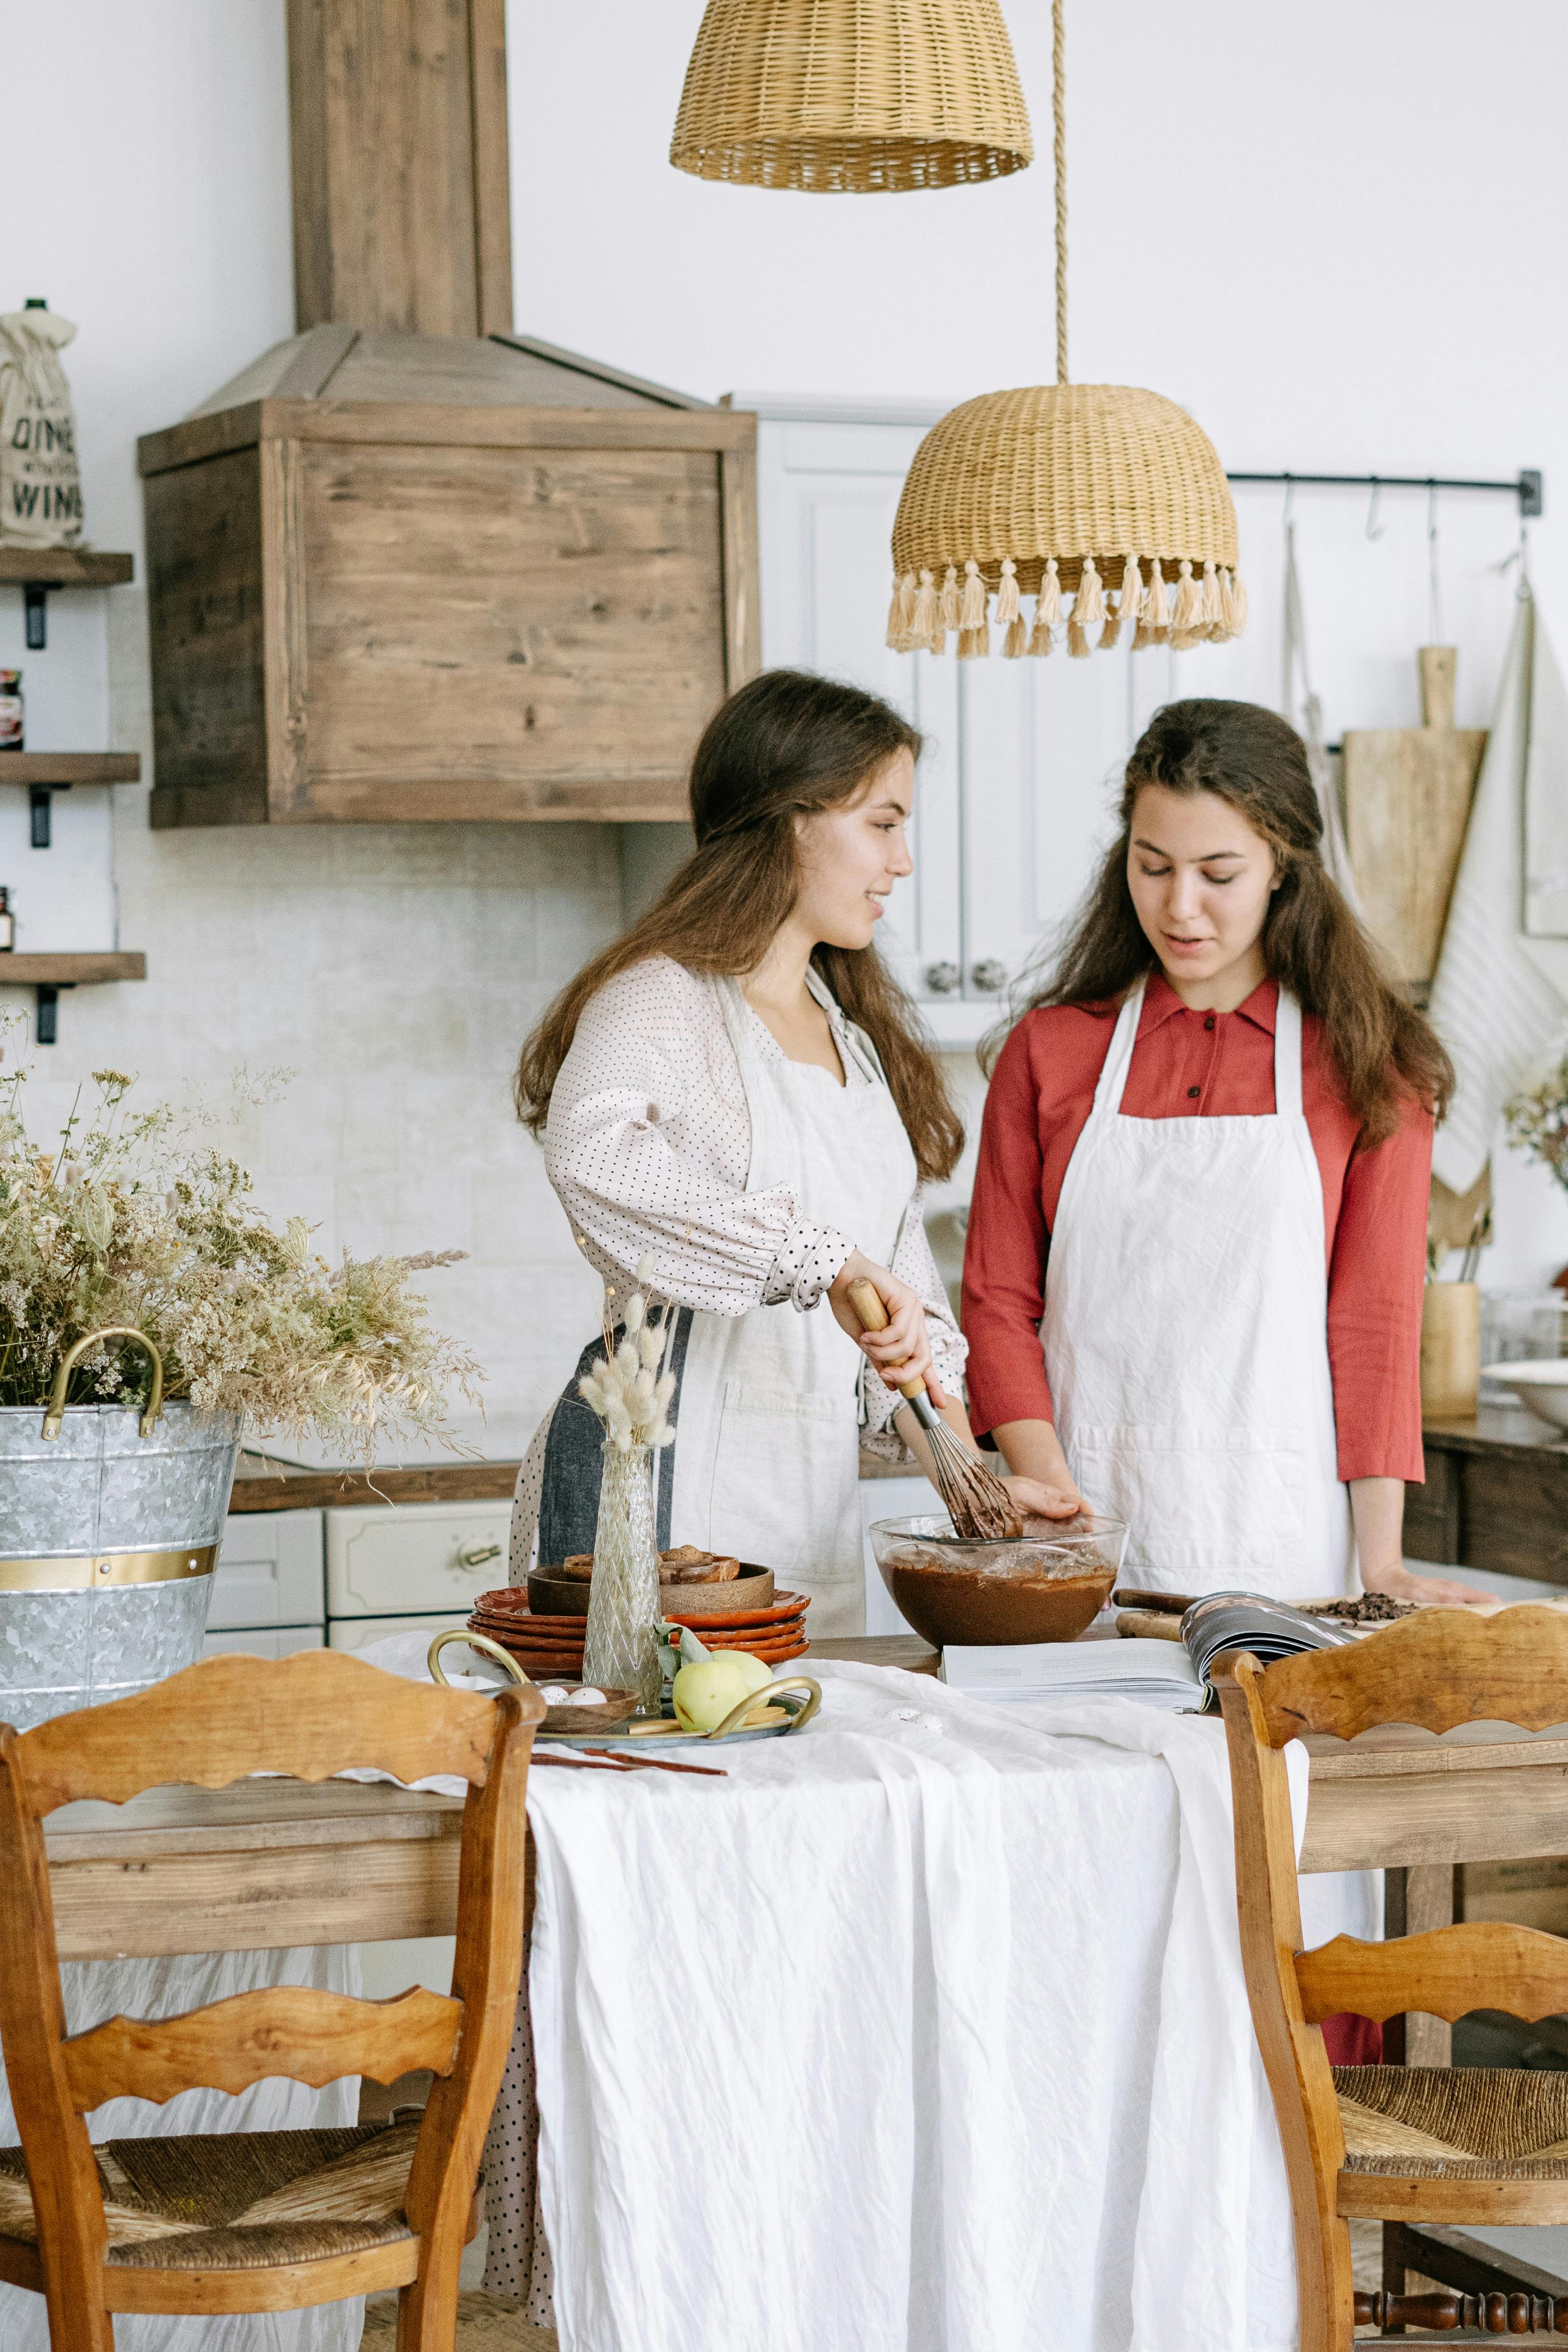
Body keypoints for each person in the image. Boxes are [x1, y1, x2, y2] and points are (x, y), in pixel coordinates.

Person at [511, 667, 1060, 1638]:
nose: (903, 860)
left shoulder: (851, 1035)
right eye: (883, 823)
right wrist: (820, 1259)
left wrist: (973, 1479)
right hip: (662, 1520)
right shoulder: (664, 999)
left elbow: (902, 1312)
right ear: (792, 820)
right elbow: (590, 1151)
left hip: (806, 1530)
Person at [963, 696, 1485, 1608]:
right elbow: (999, 1303)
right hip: (1084, 1552)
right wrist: (1059, 1512)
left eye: (1218, 872)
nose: (1180, 906)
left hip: (1284, 1554)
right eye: (1152, 865)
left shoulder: (1370, 1064)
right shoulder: (1050, 1050)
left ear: (1283, 868)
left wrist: (1384, 1566)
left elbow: (1375, 1322)